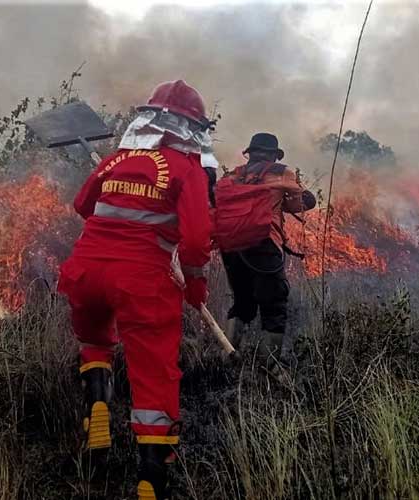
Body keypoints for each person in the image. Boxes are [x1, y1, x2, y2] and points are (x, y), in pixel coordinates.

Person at [57, 80, 213, 500]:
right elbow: (197, 242)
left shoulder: (113, 161)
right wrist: (196, 283)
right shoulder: (187, 169)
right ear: (191, 129)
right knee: (154, 372)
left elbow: (82, 207)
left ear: (147, 119)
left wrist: (122, 191)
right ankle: (149, 479)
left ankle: (98, 406)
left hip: (86, 271)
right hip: (142, 281)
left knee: (94, 340)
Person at [215, 132, 316, 368]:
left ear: (250, 153)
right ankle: (268, 368)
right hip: (263, 242)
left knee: (243, 302)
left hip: (230, 246)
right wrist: (285, 202)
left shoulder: (233, 175)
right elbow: (306, 200)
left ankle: (226, 359)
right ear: (273, 155)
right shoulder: (280, 172)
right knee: (274, 303)